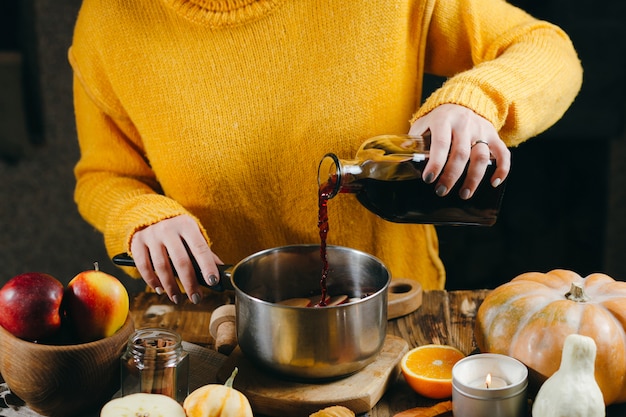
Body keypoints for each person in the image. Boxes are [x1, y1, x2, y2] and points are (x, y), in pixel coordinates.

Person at [68, 0, 582, 305]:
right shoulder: (107, 23)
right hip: (214, 320)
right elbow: (103, 175)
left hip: (395, 311)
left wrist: (477, 101)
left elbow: (547, 48)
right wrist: (138, 215)